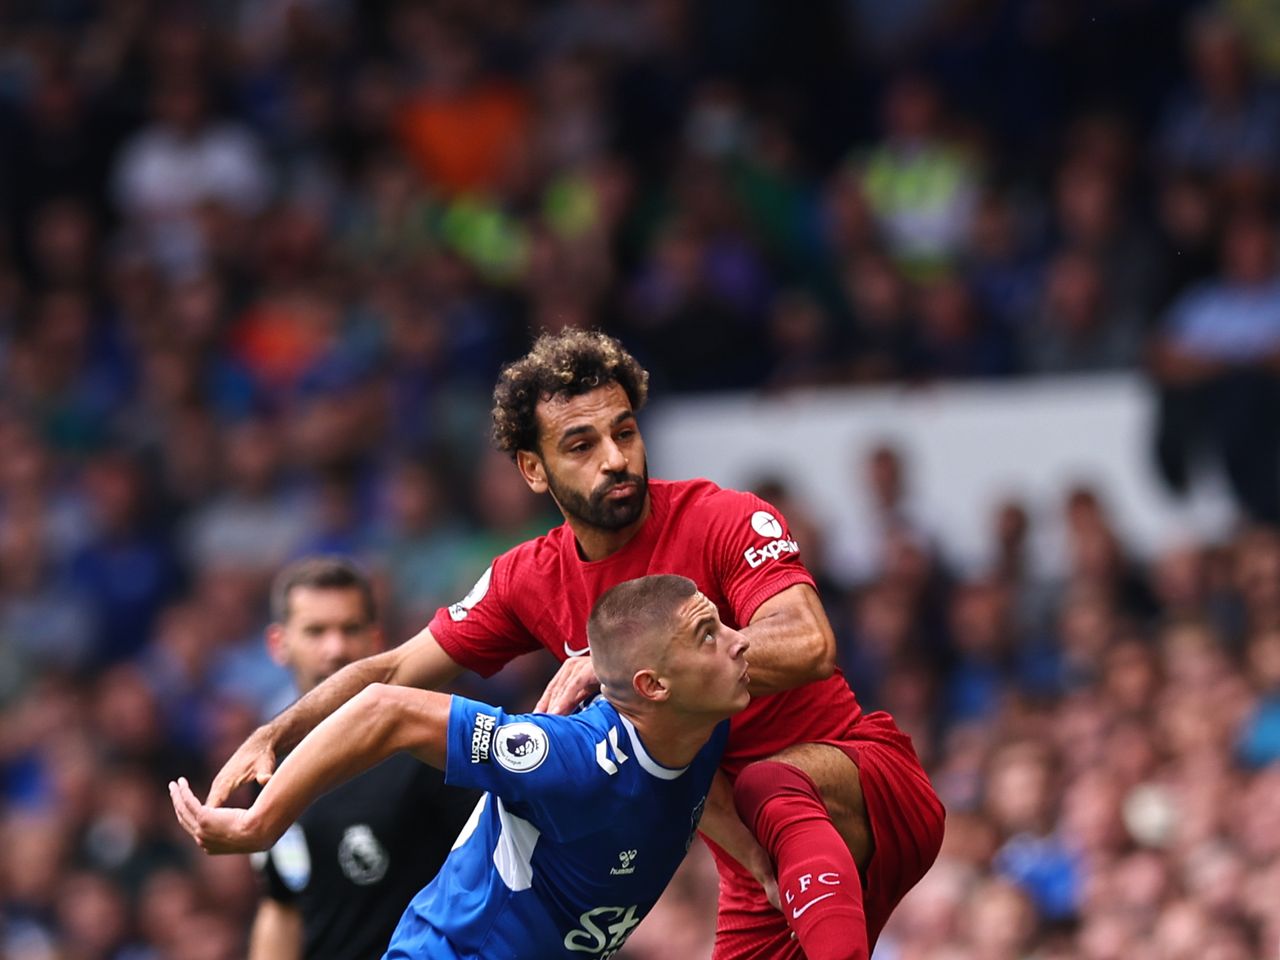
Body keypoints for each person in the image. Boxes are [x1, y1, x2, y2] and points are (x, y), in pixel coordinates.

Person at [207, 329, 945, 960]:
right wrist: (277, 731)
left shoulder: (723, 518)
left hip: (858, 785)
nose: (616, 459)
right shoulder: (529, 578)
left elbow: (811, 645)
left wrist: (627, 664)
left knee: (763, 783)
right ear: (533, 468)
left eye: (625, 431)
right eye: (581, 444)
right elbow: (393, 669)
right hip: (760, 853)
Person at [171, 574, 758, 959]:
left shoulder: (699, 725)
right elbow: (386, 707)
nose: (740, 642)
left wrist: (765, 869)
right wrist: (260, 822)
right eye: (710, 635)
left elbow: (688, 794)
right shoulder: (567, 757)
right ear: (653, 685)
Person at [247, 557, 479, 960]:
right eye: (316, 632)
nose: (335, 649)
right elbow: (282, 902)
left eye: (350, 629)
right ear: (278, 644)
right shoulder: (270, 764)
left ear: (376, 640)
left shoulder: (429, 744)